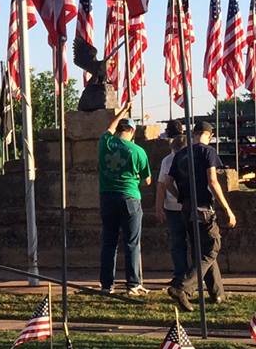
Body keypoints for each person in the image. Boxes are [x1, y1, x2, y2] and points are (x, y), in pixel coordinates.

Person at [165, 121, 236, 311]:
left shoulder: (180, 154)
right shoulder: (207, 152)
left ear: (194, 133)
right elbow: (213, 181)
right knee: (212, 248)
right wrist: (227, 209)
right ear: (209, 135)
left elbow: (167, 182)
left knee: (201, 250)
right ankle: (183, 288)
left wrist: (180, 197)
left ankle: (217, 293)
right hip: (203, 207)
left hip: (186, 207)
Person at [97, 109, 152, 295]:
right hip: (129, 197)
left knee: (109, 242)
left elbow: (108, 127)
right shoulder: (138, 151)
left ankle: (106, 285)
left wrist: (122, 111)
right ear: (132, 132)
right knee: (131, 242)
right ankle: (133, 284)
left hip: (107, 197)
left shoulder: (105, 143)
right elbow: (147, 180)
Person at [155, 120, 188, 285]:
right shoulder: (171, 160)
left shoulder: (168, 160)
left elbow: (162, 185)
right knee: (191, 242)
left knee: (177, 243)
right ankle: (191, 276)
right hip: (185, 205)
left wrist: (159, 207)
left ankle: (181, 275)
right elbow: (162, 185)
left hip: (174, 205)